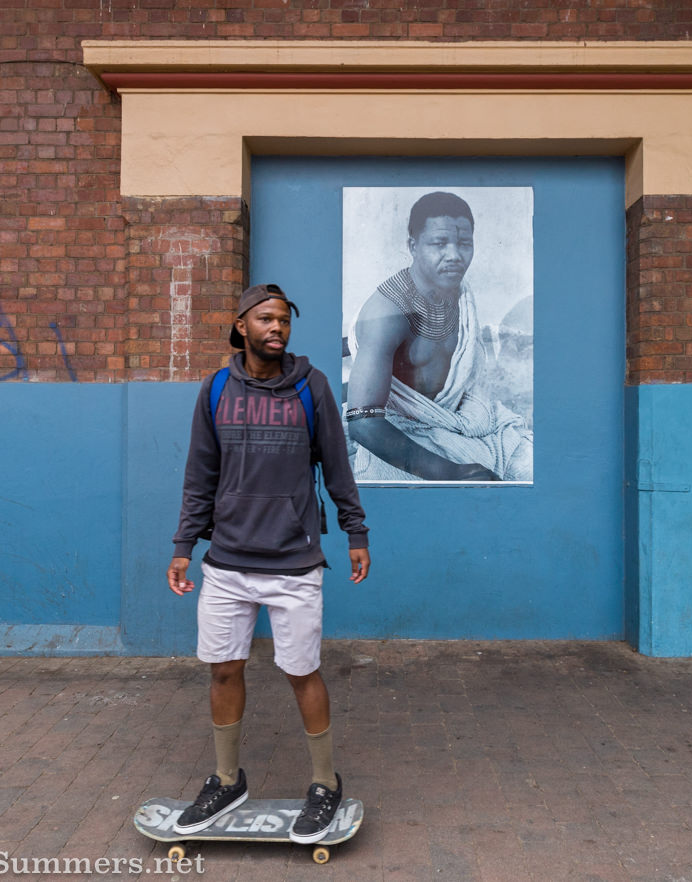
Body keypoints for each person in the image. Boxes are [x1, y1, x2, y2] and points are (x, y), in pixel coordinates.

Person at [167, 283, 370, 843]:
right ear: (241, 326)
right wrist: (185, 545)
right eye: (264, 319)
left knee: (301, 671)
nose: (275, 328)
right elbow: (199, 475)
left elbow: (337, 465)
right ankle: (227, 778)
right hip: (227, 560)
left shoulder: (313, 387)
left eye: (282, 320)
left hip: (293, 561)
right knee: (224, 667)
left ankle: (325, 783)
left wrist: (356, 530)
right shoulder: (215, 390)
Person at [345, 191, 532, 482]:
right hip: (403, 432)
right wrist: (451, 472)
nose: (455, 255)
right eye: (439, 243)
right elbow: (363, 423)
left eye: (464, 243)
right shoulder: (386, 311)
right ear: (413, 246)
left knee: (537, 470)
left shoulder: (460, 294)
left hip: (464, 423)